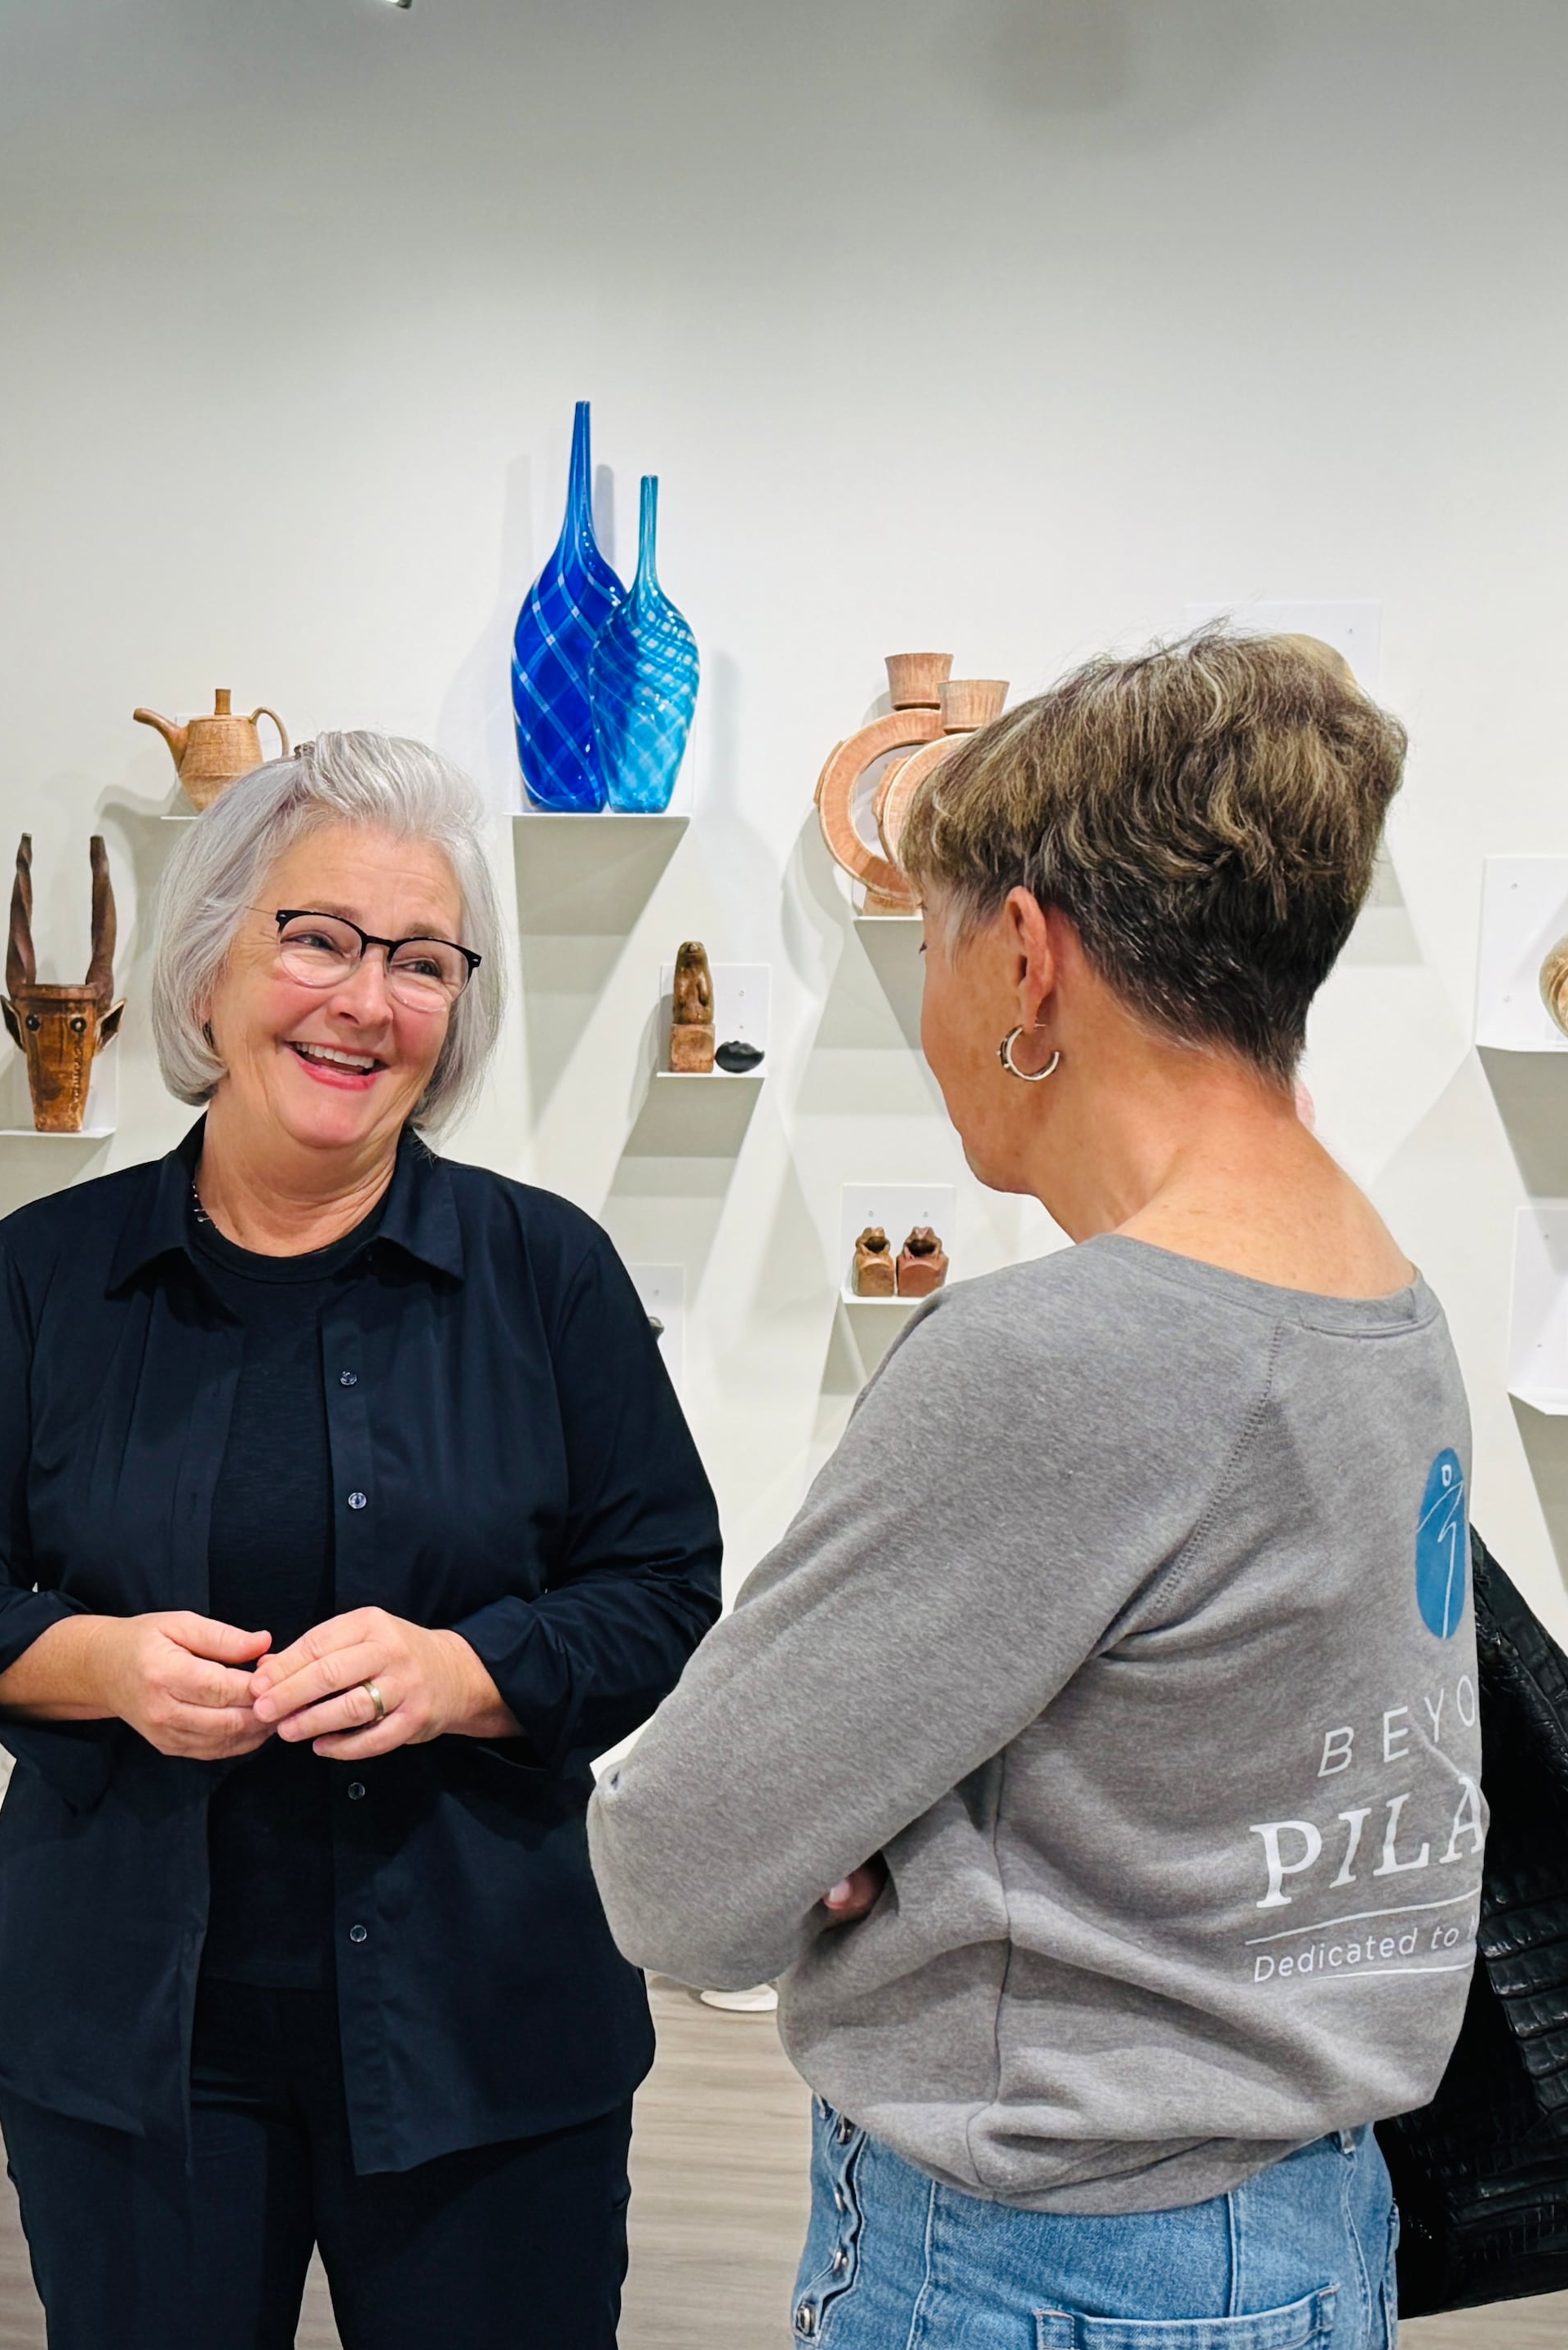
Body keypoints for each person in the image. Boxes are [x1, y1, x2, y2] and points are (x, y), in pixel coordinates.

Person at [587, 633, 1466, 2348]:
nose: (930, 1015)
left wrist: (868, 1823)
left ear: (1026, 956)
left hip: (1044, 2270)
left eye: (927, 946)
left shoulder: (1065, 1354)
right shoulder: (1379, 1288)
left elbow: (677, 1867)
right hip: (1304, 2225)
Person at [0, 732, 721, 2348]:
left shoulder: (549, 1277)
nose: (363, 999)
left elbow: (663, 1585)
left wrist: (469, 1671)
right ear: (207, 973)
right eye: (316, 937)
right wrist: (105, 1663)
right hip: (133, 2047)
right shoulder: (48, 1277)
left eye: (418, 961)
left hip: (489, 2038)